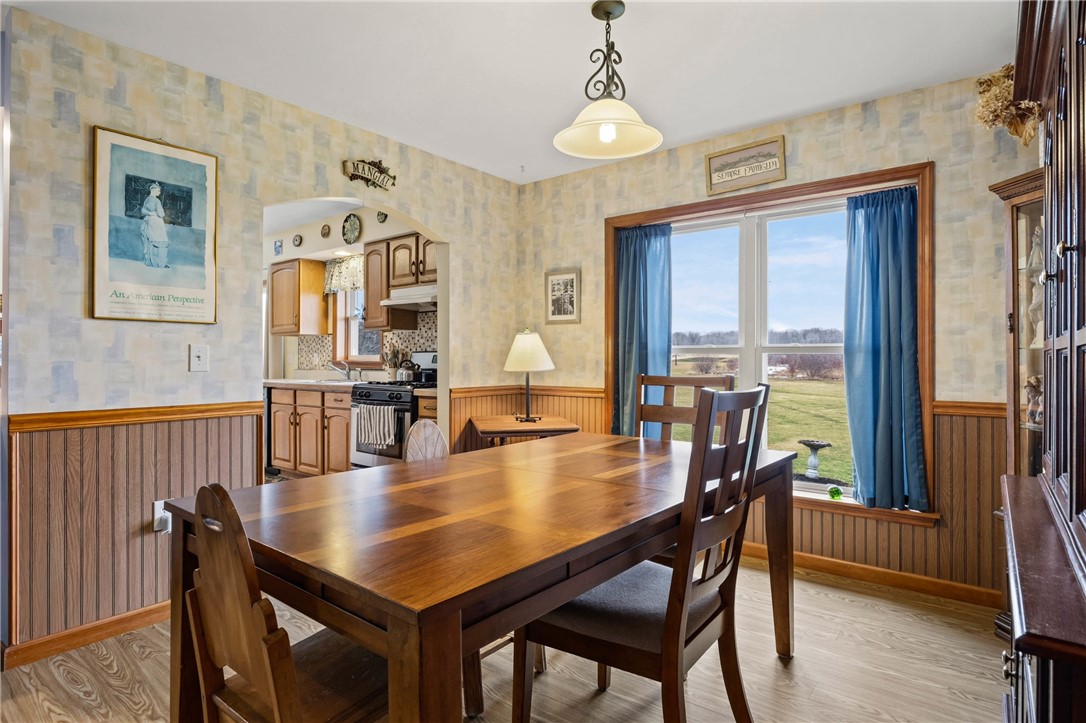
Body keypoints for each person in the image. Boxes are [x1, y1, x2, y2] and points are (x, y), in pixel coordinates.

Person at [140, 182, 169, 268]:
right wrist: (158, 212)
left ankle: (149, 262)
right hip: (156, 222)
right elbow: (161, 214)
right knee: (160, 241)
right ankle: (160, 264)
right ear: (153, 189)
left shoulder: (147, 200)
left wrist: (149, 213)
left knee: (150, 240)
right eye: (158, 190)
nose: (159, 192)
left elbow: (143, 211)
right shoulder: (157, 200)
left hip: (148, 221)